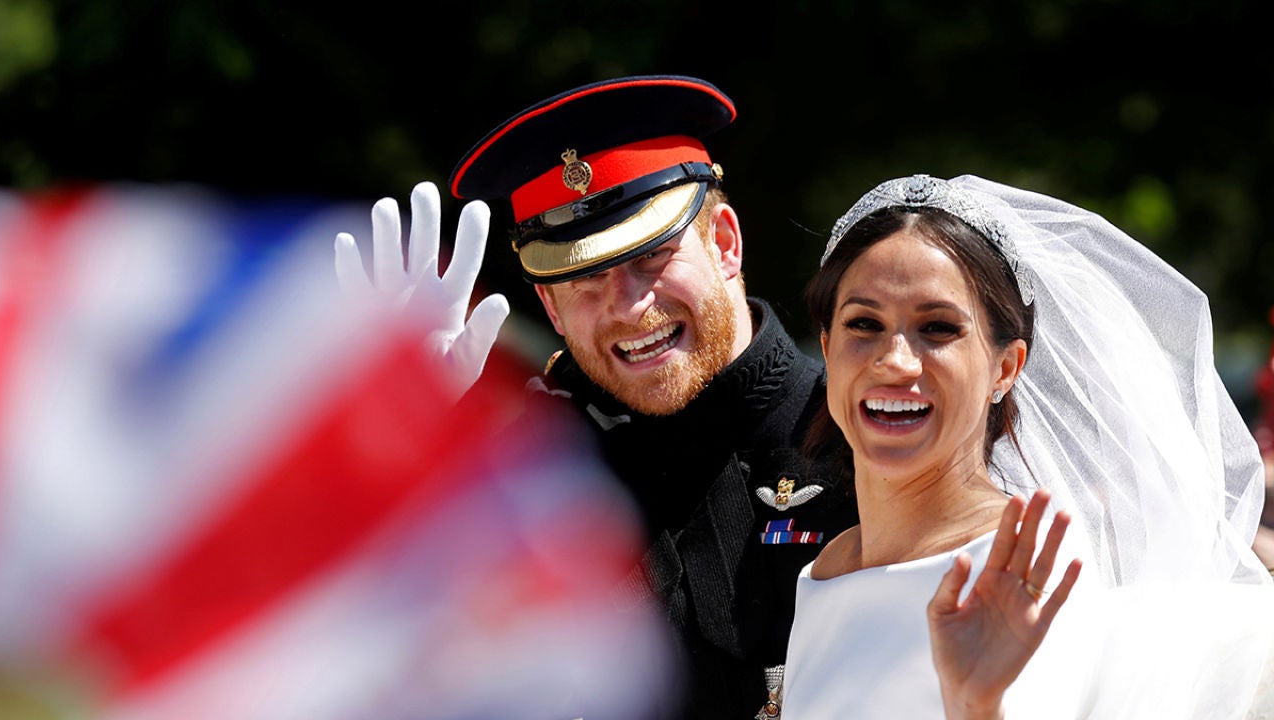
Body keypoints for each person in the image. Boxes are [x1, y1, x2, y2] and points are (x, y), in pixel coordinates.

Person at [334, 75, 858, 720]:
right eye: (584, 280)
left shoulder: (860, 433)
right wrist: (404, 476)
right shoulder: (526, 475)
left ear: (724, 243)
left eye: (651, 258)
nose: (628, 307)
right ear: (550, 306)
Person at [780, 174, 1274, 718]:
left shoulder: (1026, 566)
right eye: (864, 323)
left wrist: (977, 707)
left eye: (938, 328)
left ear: (1006, 367)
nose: (895, 361)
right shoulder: (829, 567)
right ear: (827, 349)